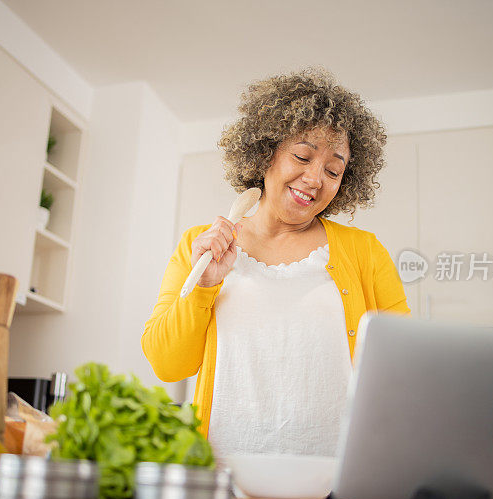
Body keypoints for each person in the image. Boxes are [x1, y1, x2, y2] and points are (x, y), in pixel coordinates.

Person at [141, 69, 409, 460]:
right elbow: (167, 364)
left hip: (334, 479)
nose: (315, 179)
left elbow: (403, 371)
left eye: (333, 170)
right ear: (265, 152)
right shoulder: (200, 246)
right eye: (302, 156)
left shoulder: (364, 252)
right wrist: (203, 287)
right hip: (223, 474)